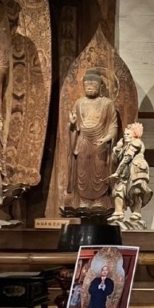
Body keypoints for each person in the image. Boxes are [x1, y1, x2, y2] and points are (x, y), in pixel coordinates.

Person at [65, 69, 118, 214]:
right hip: (82, 142)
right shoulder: (79, 103)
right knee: (82, 171)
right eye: (87, 84)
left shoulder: (107, 104)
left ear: (100, 87)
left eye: (93, 84)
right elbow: (73, 125)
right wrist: (72, 124)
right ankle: (83, 201)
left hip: (100, 142)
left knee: (99, 171)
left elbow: (113, 125)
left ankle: (99, 201)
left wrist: (108, 137)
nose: (89, 87)